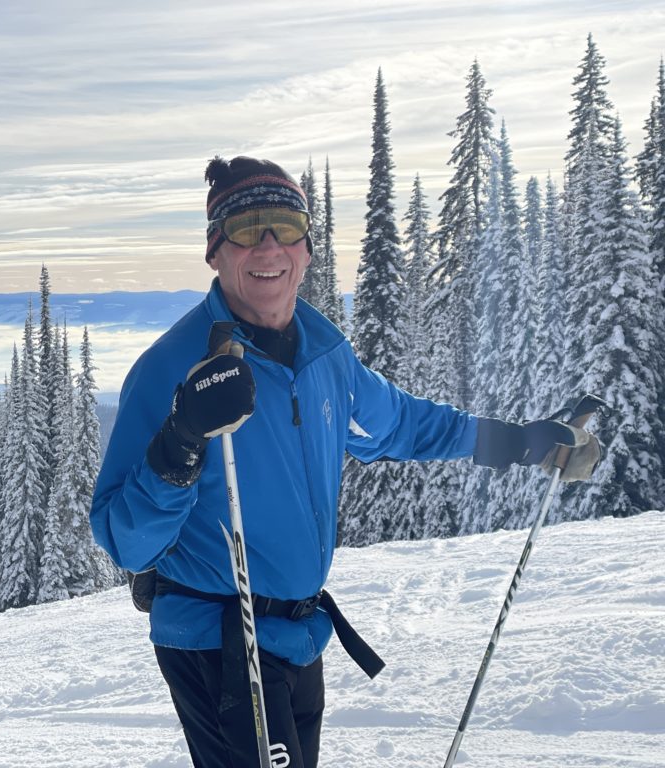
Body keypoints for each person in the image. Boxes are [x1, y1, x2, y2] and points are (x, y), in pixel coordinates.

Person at [89, 156, 600, 768]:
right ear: (216, 250)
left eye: (285, 226)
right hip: (223, 641)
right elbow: (127, 541)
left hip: (298, 634)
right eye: (247, 228)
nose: (269, 246)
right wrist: (182, 440)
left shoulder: (325, 352)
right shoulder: (171, 369)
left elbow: (405, 425)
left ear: (307, 249)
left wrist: (518, 442)